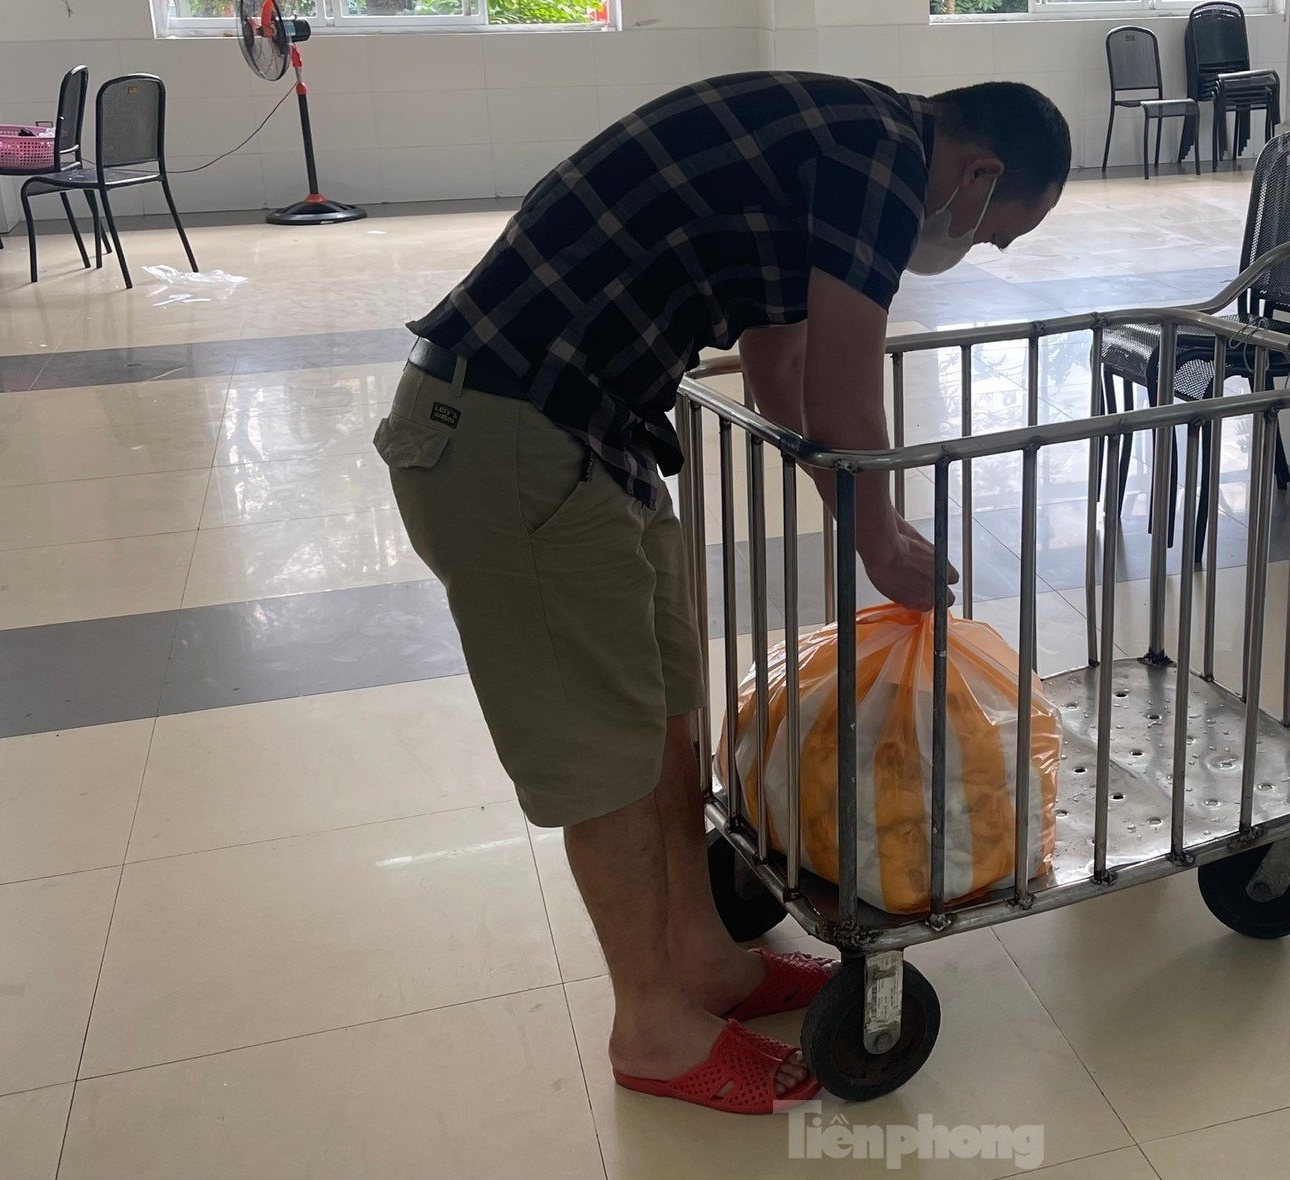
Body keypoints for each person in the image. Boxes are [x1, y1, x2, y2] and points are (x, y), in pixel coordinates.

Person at [376, 71, 1070, 1115]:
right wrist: (878, 538)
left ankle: (704, 961)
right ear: (978, 175)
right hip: (513, 434)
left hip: (589, 438)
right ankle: (649, 1028)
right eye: (993, 234)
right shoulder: (880, 155)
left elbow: (781, 367)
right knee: (606, 755)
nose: (972, 249)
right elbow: (842, 383)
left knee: (665, 718)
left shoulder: (832, 148)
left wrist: (859, 520)